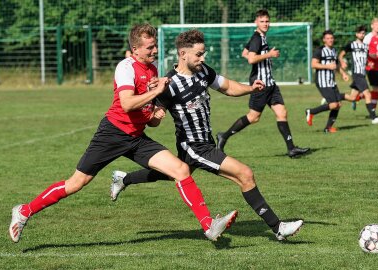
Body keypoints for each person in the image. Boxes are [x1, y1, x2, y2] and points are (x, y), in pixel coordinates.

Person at [8, 24, 237, 243]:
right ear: (135, 49)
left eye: (155, 45)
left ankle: (208, 225)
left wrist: (153, 114)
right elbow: (127, 104)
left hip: (136, 137)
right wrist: (157, 91)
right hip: (113, 133)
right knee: (76, 183)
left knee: (181, 169)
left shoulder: (152, 68)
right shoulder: (125, 67)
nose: (155, 50)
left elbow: (145, 110)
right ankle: (24, 211)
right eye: (149, 47)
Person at [110, 29, 304, 241]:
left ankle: (124, 179)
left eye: (203, 54)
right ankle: (278, 227)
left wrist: (251, 89)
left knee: (172, 173)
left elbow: (228, 87)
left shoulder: (203, 71)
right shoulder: (168, 84)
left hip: (205, 142)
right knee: (245, 174)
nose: (202, 58)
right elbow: (154, 121)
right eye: (198, 54)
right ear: (183, 54)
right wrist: (154, 113)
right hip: (194, 147)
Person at [215, 9, 310, 158]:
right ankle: (224, 136)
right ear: (256, 22)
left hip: (270, 84)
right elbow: (252, 59)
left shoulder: (261, 37)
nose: (265, 24)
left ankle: (291, 148)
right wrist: (269, 55)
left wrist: (259, 56)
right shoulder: (257, 38)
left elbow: (245, 53)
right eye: (262, 21)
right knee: (253, 117)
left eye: (267, 21)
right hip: (261, 85)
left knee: (282, 112)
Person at [305, 30, 349, 133]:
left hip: (331, 82)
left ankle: (328, 128)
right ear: (324, 40)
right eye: (328, 38)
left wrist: (343, 74)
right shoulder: (319, 50)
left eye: (331, 38)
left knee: (338, 105)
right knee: (334, 104)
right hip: (322, 81)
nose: (330, 40)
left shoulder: (334, 50)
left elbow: (336, 65)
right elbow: (313, 64)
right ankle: (311, 112)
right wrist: (327, 66)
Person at [338, 25, 378, 124]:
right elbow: (341, 55)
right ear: (356, 34)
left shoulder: (366, 46)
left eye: (363, 33)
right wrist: (342, 62)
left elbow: (365, 59)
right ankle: (373, 118)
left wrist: (368, 63)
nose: (362, 34)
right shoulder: (351, 44)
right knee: (367, 94)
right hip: (357, 74)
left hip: (363, 74)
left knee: (353, 97)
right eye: (360, 33)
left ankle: (334, 96)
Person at [363, 18, 378, 110]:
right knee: (376, 89)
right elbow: (364, 52)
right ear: (372, 25)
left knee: (377, 90)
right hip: (372, 68)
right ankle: (372, 110)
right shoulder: (368, 37)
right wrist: (368, 61)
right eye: (377, 24)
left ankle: (360, 97)